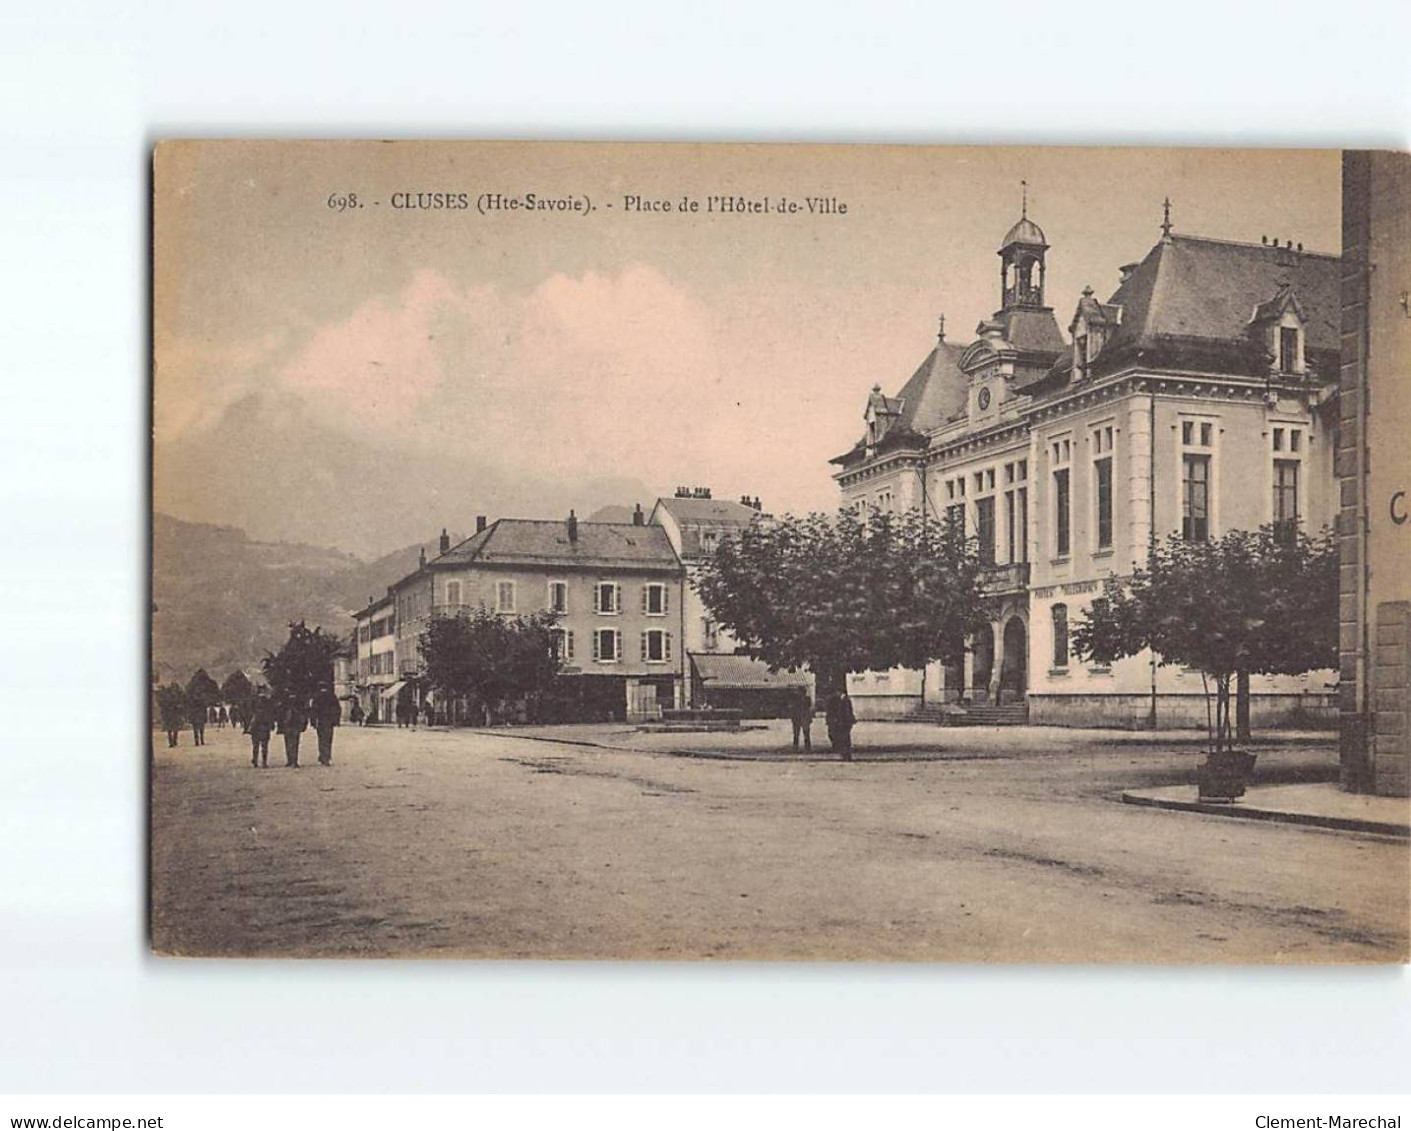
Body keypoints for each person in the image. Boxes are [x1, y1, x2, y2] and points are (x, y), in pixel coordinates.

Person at [312, 686, 341, 766]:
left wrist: (313, 722)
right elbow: (338, 709)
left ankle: (323, 755)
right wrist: (336, 721)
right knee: (328, 739)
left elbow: (313, 710)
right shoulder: (332, 696)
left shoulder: (317, 696)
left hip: (321, 721)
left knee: (321, 739)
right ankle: (327, 757)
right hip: (329, 722)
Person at [278, 696, 308, 768]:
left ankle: (292, 760)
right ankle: (292, 760)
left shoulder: (285, 705)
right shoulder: (298, 705)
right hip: (292, 726)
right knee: (293, 743)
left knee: (290, 743)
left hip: (292, 726)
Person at [248, 690, 275, 768]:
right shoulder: (268, 710)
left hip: (256, 729)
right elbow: (271, 719)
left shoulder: (255, 710)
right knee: (264, 746)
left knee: (256, 746)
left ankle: (256, 761)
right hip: (264, 729)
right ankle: (264, 762)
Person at [789, 688, 813, 753]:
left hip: (801, 718)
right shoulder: (805, 699)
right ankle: (802, 748)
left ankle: (803, 748)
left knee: (804, 734)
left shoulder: (800, 699)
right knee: (799, 734)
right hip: (800, 718)